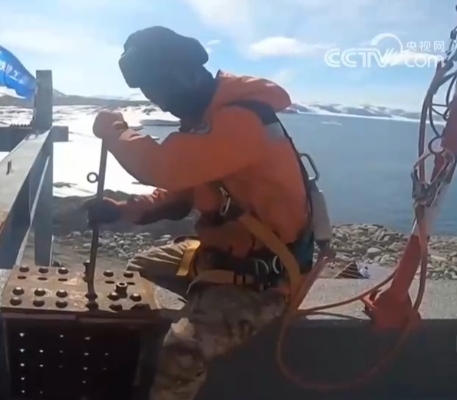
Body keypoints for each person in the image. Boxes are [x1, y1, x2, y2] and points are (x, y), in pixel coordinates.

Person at [87, 26, 323, 400]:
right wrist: (125, 210)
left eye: (160, 89)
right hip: (223, 259)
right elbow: (180, 193)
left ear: (186, 72)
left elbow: (163, 167)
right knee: (138, 271)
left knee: (181, 352)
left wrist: (114, 131)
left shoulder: (241, 121)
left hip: (264, 281)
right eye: (150, 93)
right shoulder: (206, 122)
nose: (160, 102)